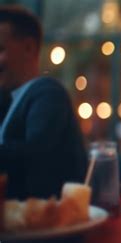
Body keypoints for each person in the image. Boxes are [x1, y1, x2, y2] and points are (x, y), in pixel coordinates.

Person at [0, 6, 87, 199]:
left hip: (50, 221)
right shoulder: (8, 99)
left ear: (29, 48)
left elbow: (34, 157)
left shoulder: (48, 92)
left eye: (1, 49)